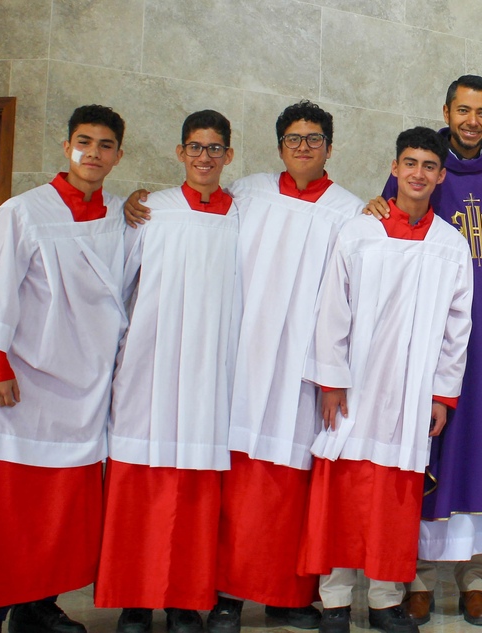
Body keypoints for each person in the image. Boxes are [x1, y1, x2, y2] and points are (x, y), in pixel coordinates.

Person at [121, 101, 363, 633]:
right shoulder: (247, 195)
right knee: (236, 488)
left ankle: (287, 594)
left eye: (314, 137)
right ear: (279, 146)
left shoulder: (350, 211)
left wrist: (332, 373)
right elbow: (192, 216)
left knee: (289, 486)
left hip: (301, 367)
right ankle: (226, 596)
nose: (304, 146)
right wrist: (138, 201)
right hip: (241, 358)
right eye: (294, 138)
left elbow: (351, 293)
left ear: (329, 146)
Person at [0, 104, 128, 633]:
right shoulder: (24, 211)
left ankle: (37, 603)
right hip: (17, 384)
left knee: (60, 512)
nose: (94, 152)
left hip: (81, 384)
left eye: (106, 144)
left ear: (117, 155)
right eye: (84, 141)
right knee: (1, 511)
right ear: (67, 146)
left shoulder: (117, 215)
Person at [370, 74, 482, 627]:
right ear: (446, 110)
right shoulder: (424, 163)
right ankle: (417, 579)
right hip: (429, 336)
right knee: (430, 453)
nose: (472, 121)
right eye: (463, 110)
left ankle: (478, 581)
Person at [300, 127, 473, 633]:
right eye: (409, 163)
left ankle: (384, 599)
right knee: (341, 494)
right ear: (394, 168)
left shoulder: (450, 245)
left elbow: (456, 326)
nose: (418, 173)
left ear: (440, 176)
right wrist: (331, 379)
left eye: (428, 166)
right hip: (354, 387)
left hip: (411, 392)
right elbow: (332, 309)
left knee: (391, 500)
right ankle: (333, 600)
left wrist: (442, 394)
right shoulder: (358, 233)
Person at [94, 110, 241, 633]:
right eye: (195, 147)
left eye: (214, 148)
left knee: (196, 492)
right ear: (180, 153)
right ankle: (136, 600)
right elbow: (115, 285)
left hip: (209, 371)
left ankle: (184, 600)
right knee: (141, 487)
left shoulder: (242, 215)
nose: (205, 157)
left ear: (229, 155)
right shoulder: (149, 211)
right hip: (150, 368)